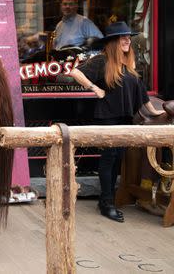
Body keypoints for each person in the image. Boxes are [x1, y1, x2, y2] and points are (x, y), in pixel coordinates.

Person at [69, 21, 164, 222]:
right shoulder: (102, 61)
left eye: (128, 37)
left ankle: (107, 199)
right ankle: (107, 202)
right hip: (108, 118)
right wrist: (95, 88)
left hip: (125, 120)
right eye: (123, 37)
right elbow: (75, 72)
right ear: (113, 41)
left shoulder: (129, 66)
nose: (127, 40)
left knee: (117, 160)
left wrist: (159, 114)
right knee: (109, 159)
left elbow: (143, 99)